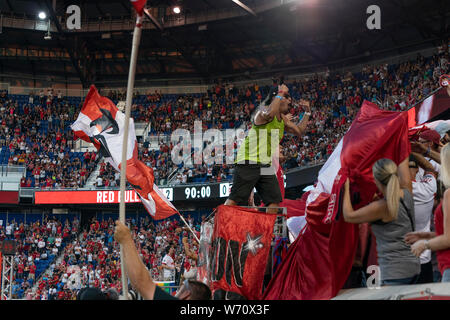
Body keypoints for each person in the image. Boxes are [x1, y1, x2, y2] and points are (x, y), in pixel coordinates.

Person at [225, 83, 311, 212]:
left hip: (265, 164)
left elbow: (299, 131)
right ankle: (220, 228)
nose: (290, 100)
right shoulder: (262, 112)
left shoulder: (283, 120)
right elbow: (270, 113)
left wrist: (307, 112)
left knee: (274, 201)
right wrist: (281, 92)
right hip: (249, 160)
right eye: (286, 97)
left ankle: (265, 231)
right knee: (235, 199)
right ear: (276, 97)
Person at [342, 157, 421, 286]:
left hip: (393, 272)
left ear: (376, 180)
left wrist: (344, 187)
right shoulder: (407, 193)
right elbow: (403, 165)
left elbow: (349, 216)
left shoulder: (381, 207)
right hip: (413, 267)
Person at [114, 220, 211, 300]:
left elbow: (141, 282)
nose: (181, 285)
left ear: (187, 295)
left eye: (183, 287)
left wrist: (126, 240)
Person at [405, 143, 450, 282]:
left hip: (404, 260)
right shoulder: (428, 186)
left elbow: (448, 238)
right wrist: (427, 235)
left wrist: (424, 244)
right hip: (427, 261)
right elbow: (430, 168)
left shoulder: (394, 191)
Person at [408, 153, 438, 283]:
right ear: (417, 169)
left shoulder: (391, 190)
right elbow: (430, 168)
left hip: (398, 262)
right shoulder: (428, 187)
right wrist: (413, 150)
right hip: (423, 258)